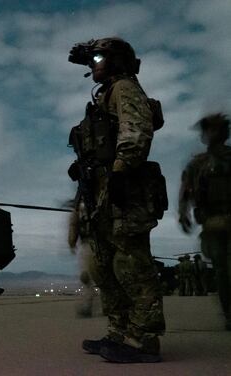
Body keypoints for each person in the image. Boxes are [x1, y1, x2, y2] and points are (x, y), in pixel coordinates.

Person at [67, 37, 167, 363]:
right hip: (101, 194)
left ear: (118, 61)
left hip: (123, 190)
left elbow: (136, 130)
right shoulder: (105, 96)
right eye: (92, 59)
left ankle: (143, 339)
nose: (94, 64)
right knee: (103, 266)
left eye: (99, 57)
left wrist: (122, 171)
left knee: (131, 264)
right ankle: (119, 331)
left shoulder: (124, 87)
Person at [178, 113, 231, 329]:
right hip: (213, 223)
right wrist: (183, 214)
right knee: (222, 270)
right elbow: (186, 192)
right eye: (209, 129)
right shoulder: (198, 164)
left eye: (216, 129)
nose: (212, 133)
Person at [68, 205, 95, 318]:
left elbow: (74, 225)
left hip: (88, 245)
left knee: (86, 278)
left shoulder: (79, 208)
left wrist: (72, 242)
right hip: (102, 244)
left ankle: (87, 305)